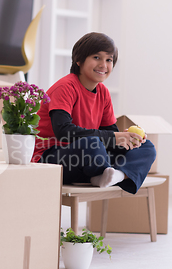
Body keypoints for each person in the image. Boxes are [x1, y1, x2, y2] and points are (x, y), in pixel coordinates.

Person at [32, 32, 156, 194]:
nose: (104, 65)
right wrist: (113, 138)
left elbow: (110, 133)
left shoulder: (103, 92)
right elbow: (63, 132)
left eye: (109, 60)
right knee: (92, 144)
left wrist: (126, 138)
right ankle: (103, 173)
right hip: (51, 158)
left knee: (146, 147)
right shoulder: (65, 87)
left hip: (87, 157)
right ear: (79, 60)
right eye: (97, 57)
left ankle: (115, 175)